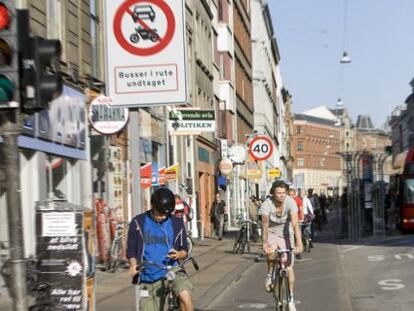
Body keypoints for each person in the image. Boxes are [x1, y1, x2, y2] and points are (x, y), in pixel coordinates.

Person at [127, 187, 193, 311]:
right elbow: (131, 250)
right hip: (149, 275)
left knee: (185, 295)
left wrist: (178, 254)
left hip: (172, 270)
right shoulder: (138, 223)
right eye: (161, 213)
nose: (164, 217)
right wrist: (133, 265)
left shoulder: (177, 223)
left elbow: (184, 250)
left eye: (167, 214)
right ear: (153, 207)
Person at [260, 181, 303, 310]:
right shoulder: (266, 204)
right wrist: (265, 244)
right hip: (272, 232)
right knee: (271, 253)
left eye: (283, 193)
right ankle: (270, 273)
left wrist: (299, 244)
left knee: (288, 267)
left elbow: (295, 225)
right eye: (278, 193)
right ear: (273, 193)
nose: (281, 195)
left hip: (286, 233)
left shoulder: (290, 202)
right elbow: (265, 225)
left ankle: (291, 299)